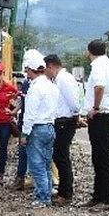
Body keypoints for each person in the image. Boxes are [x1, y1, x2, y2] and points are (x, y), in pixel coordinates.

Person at [82, 39, 109, 211]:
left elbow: (99, 87)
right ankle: (99, 195)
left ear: (89, 52)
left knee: (102, 157)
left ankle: (106, 198)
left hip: (101, 115)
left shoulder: (98, 66)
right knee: (100, 156)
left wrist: (95, 107)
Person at [19, 49, 59, 207]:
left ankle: (43, 197)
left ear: (30, 69)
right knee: (47, 163)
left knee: (37, 164)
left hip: (37, 128)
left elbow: (30, 114)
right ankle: (47, 193)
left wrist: (24, 133)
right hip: (50, 127)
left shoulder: (35, 88)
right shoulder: (51, 86)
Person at [45, 54, 81, 206]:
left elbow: (73, 102)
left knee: (61, 156)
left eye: (46, 69)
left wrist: (76, 115)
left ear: (51, 66)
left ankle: (66, 193)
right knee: (59, 156)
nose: (46, 73)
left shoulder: (64, 79)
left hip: (65, 121)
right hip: (62, 121)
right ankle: (63, 190)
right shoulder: (59, 79)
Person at [12, 76, 30, 191]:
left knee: (27, 151)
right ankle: (21, 178)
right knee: (23, 151)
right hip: (25, 122)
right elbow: (22, 102)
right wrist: (14, 111)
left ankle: (25, 178)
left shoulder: (36, 85)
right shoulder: (26, 84)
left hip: (30, 122)